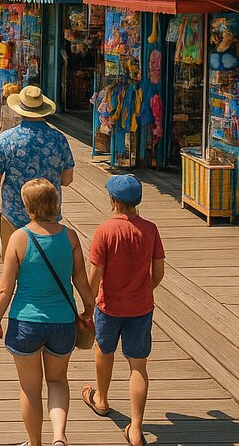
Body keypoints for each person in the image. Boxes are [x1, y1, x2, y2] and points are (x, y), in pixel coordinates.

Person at [0, 179, 94, 446]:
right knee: (58, 380)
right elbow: (81, 280)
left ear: (28, 206)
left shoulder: (19, 238)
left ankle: (35, 443)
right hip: (62, 321)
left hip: (26, 321)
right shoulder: (69, 237)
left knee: (30, 388)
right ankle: (59, 437)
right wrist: (89, 308)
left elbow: (5, 289)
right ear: (54, 202)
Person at [80, 175, 165, 446]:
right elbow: (159, 272)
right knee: (138, 364)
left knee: (104, 351)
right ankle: (136, 428)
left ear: (113, 201)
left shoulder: (104, 231)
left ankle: (102, 400)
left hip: (109, 306)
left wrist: (87, 307)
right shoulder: (150, 230)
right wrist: (143, 289)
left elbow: (95, 277)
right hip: (141, 307)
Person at [0, 86, 74, 258]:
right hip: (49, 215)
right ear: (43, 109)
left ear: (20, 110)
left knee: (13, 264)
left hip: (14, 213)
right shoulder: (59, 139)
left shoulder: (5, 140)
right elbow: (67, 179)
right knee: (45, 266)